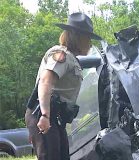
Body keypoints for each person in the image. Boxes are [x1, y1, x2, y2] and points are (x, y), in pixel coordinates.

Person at [25, 12, 102, 160]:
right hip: (43, 113)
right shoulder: (61, 54)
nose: (90, 43)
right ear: (78, 37)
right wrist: (45, 115)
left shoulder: (72, 59)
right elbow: (45, 82)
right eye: (88, 38)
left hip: (55, 116)